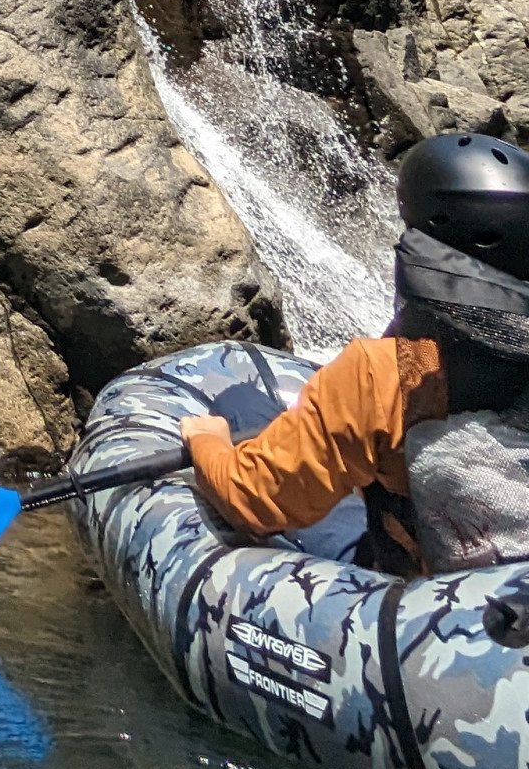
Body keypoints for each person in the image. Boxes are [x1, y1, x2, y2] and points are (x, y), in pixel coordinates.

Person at [180, 130, 529, 574]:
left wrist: (204, 440)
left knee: (239, 405)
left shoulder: (387, 372)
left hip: (436, 599)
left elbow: (250, 500)